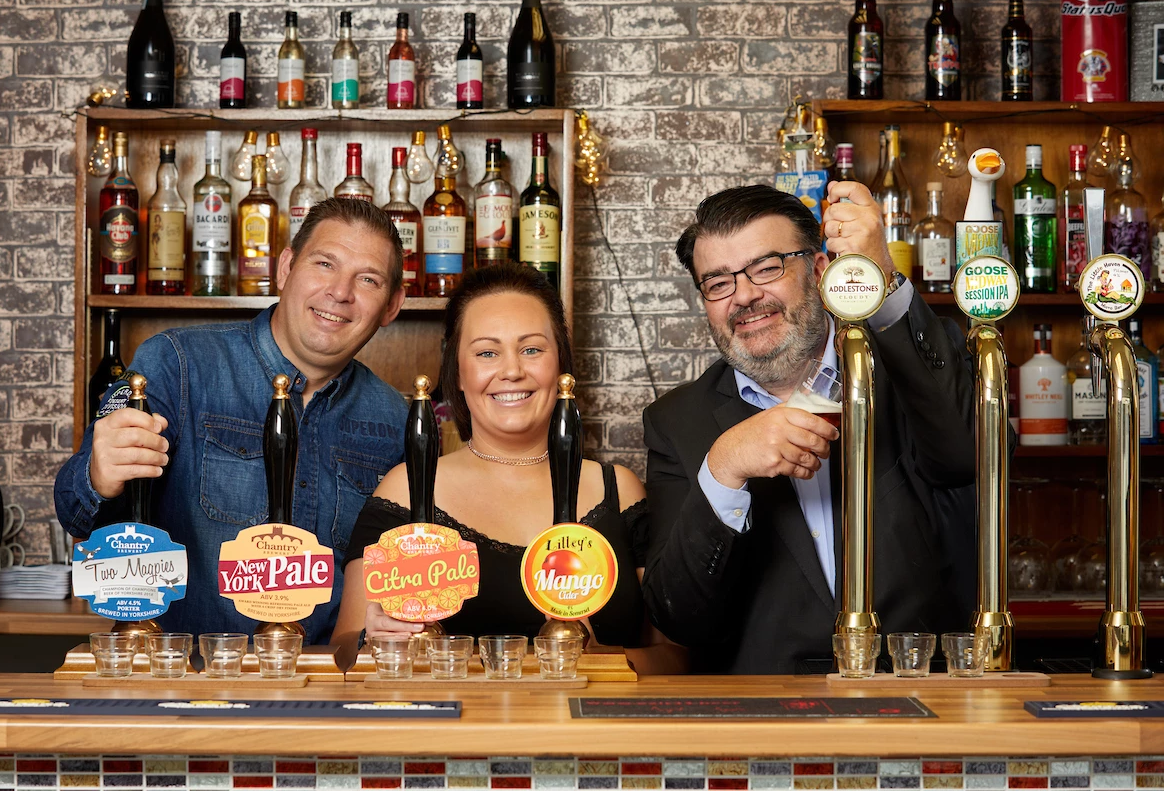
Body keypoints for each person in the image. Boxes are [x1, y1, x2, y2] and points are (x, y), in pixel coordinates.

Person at [640, 183, 977, 674]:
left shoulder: (905, 367)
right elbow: (679, 618)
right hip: (764, 719)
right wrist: (723, 468)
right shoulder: (676, 422)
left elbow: (967, 456)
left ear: (819, 270)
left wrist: (880, 277)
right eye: (718, 283)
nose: (745, 296)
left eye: (767, 268)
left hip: (920, 691)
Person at [54, 198, 410, 642]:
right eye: (324, 264)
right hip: (190, 685)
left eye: (368, 279)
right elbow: (77, 515)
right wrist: (99, 475)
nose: (340, 292)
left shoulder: (397, 418)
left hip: (330, 689)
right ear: (285, 268)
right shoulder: (177, 364)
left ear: (393, 304)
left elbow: (394, 575)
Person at [331, 264, 684, 674]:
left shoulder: (619, 491)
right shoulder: (407, 491)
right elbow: (342, 655)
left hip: (586, 734)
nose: (512, 370)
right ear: (458, 373)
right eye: (486, 353)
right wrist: (376, 639)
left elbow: (675, 657)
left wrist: (596, 659)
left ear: (561, 364)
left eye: (532, 349)